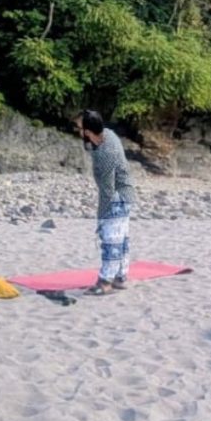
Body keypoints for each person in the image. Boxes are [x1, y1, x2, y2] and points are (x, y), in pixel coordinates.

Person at [76, 109, 134, 295]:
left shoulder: (105, 155)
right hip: (126, 194)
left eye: (78, 127)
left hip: (116, 197)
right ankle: (120, 277)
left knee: (110, 240)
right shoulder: (108, 134)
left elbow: (107, 190)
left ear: (87, 131)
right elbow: (91, 147)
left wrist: (102, 216)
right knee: (122, 238)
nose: (76, 130)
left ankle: (105, 283)